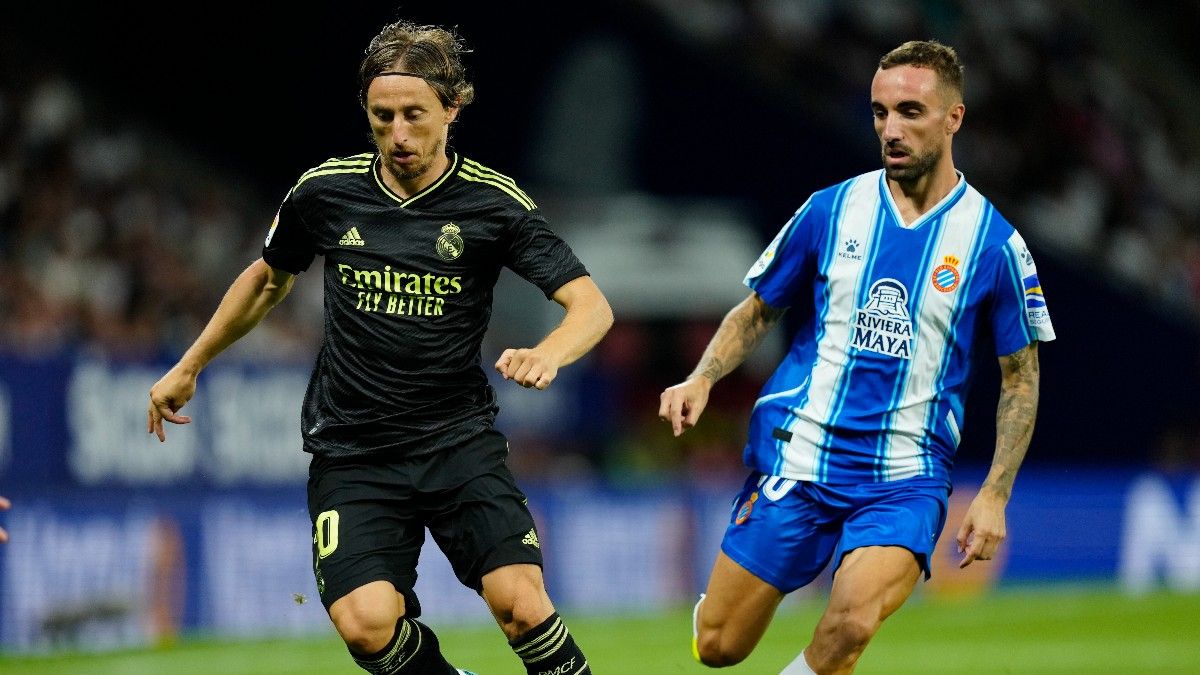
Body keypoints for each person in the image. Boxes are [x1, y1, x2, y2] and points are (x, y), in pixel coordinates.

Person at [147, 20, 611, 675]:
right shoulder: (325, 192)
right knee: (367, 626)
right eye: (382, 116)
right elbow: (266, 280)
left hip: (457, 442)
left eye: (414, 115)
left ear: (452, 109)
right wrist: (190, 363)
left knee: (521, 603)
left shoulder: (492, 203)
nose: (398, 134)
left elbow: (591, 304)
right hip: (354, 450)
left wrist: (551, 352)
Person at [659, 40, 1054, 674]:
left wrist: (995, 494)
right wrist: (702, 377)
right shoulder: (830, 209)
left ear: (954, 117)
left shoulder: (994, 243)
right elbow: (759, 309)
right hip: (801, 455)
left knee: (849, 625)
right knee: (718, 646)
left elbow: (1020, 378)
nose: (890, 131)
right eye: (878, 113)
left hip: (906, 478)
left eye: (909, 112)